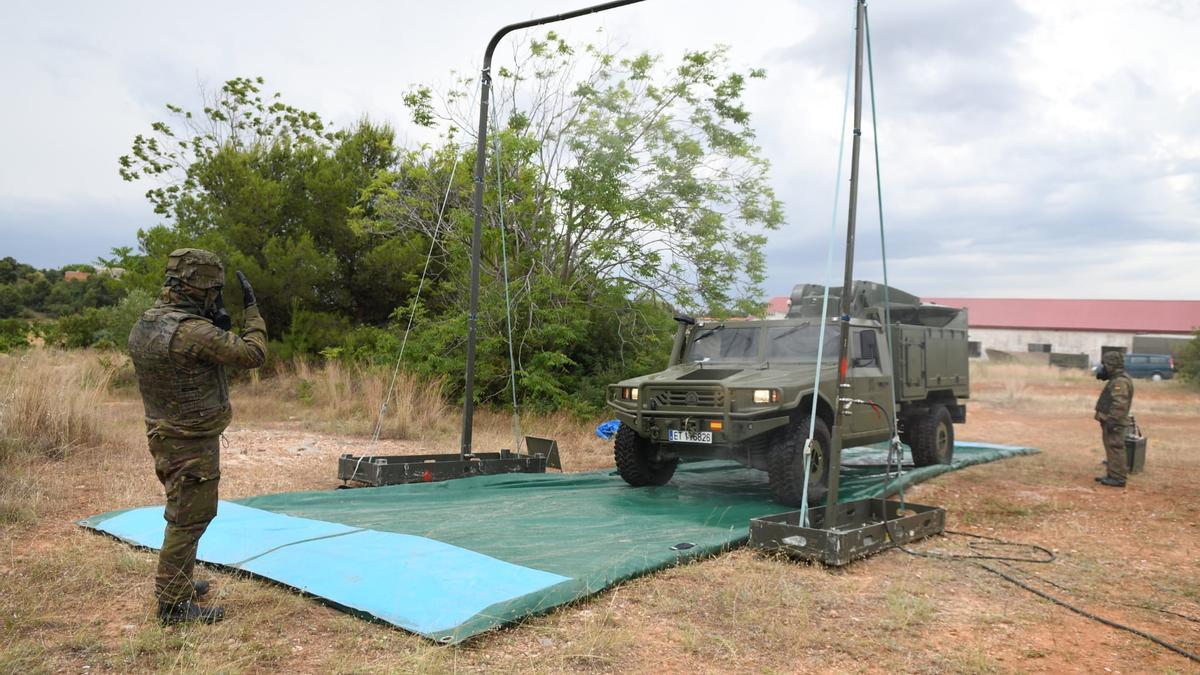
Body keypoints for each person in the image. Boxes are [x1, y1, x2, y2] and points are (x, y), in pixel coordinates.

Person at [127, 249, 267, 625]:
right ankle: (172, 606)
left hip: (165, 431)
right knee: (188, 519)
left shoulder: (147, 322)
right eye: (214, 292)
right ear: (201, 288)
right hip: (189, 438)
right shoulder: (193, 331)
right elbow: (253, 354)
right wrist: (252, 313)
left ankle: (179, 584)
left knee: (184, 512)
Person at [1093, 351, 1134, 488]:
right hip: (1111, 420)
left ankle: (1118, 478)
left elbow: (1119, 403)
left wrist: (1112, 420)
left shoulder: (1120, 382)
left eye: (1105, 365)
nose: (1103, 367)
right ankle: (1112, 474)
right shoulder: (1116, 379)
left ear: (1111, 365)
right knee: (1111, 448)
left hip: (1115, 421)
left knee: (1116, 448)